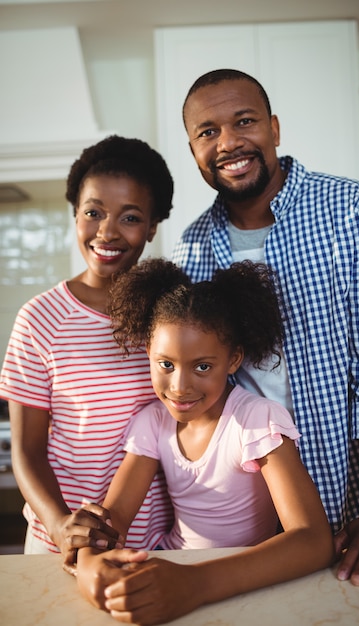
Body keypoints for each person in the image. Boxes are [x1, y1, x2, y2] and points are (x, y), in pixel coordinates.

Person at [171, 68, 359, 586]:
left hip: (342, 507)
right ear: (193, 150)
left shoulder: (353, 210)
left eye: (244, 122)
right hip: (237, 522)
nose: (229, 142)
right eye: (208, 132)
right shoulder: (190, 248)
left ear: (274, 129)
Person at [75, 257, 334, 625]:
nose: (180, 387)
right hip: (170, 565)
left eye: (202, 366)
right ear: (148, 353)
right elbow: (113, 518)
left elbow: (313, 540)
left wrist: (194, 583)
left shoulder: (255, 420)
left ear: (234, 360)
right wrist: (89, 564)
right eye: (165, 364)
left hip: (239, 581)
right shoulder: (152, 422)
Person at [0, 135, 174, 569]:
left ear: (152, 226)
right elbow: (26, 450)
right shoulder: (40, 318)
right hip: (58, 541)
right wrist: (59, 525)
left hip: (154, 540)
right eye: (93, 212)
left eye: (130, 217)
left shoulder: (171, 314)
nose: (107, 232)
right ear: (75, 214)